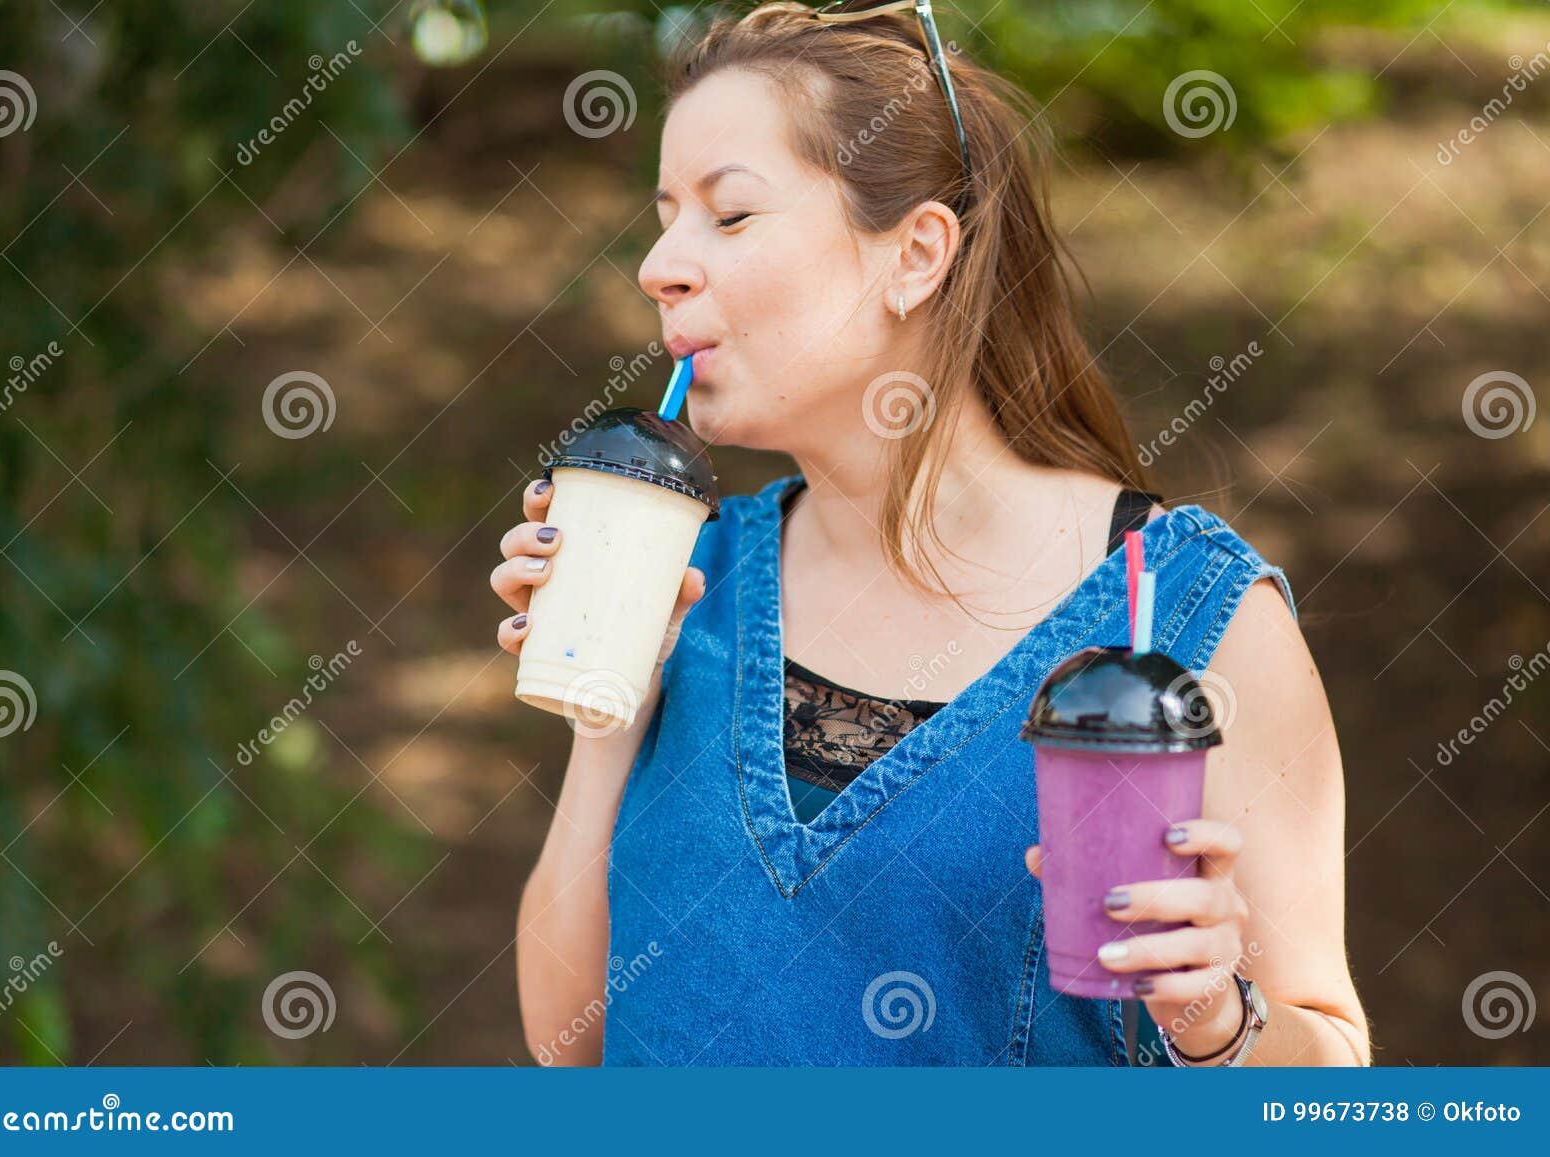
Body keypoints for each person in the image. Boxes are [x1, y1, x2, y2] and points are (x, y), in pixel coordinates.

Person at [494, 1, 1370, 1066]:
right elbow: (568, 1042)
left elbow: (1330, 1077)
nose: (658, 264)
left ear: (915, 255)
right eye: (665, 213)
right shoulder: (691, 578)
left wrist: (1215, 1021)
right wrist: (607, 702)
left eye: (728, 216)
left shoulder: (1190, 616)